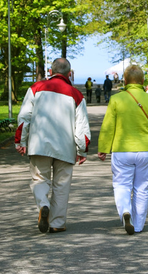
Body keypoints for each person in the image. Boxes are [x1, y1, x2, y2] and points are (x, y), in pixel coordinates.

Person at [15, 58, 91, 233]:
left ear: (50, 72)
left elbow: (24, 117)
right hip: (65, 146)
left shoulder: (35, 88)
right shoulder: (76, 94)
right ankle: (57, 223)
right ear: (69, 74)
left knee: (39, 179)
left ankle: (43, 205)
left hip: (39, 143)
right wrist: (82, 150)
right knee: (61, 185)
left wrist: (21, 141)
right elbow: (82, 127)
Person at [97, 64, 148, 235]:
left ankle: (126, 211)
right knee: (142, 188)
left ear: (124, 81)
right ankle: (138, 226)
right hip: (146, 150)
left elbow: (108, 126)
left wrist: (103, 148)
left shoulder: (117, 99)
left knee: (121, 185)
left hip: (122, 150)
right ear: (143, 80)